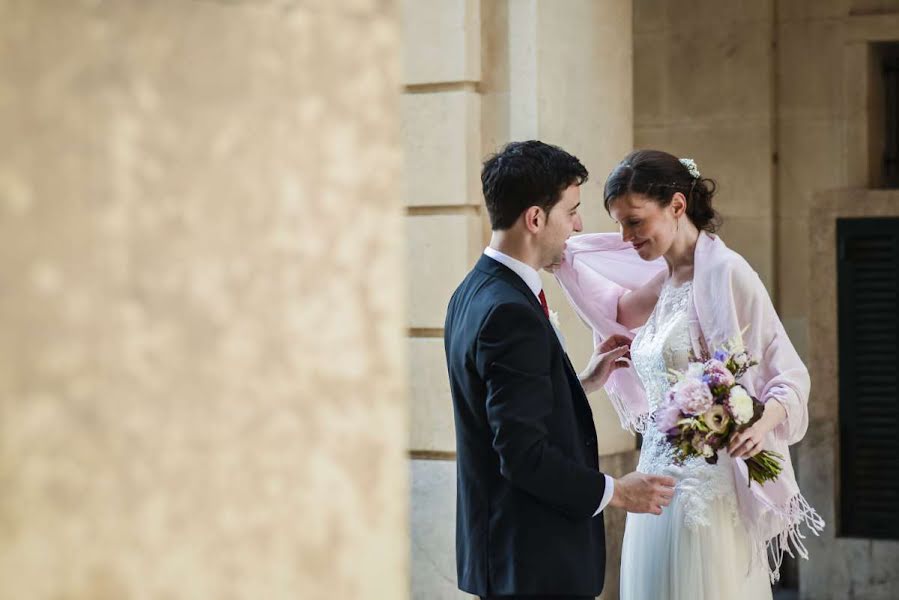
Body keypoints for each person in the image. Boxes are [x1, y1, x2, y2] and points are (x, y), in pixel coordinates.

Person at [554, 149, 824, 600]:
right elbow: (614, 311)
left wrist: (762, 423)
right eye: (619, 224)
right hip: (653, 484)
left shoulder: (729, 273)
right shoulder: (663, 280)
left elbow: (789, 373)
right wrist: (565, 259)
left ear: (677, 206)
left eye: (635, 222)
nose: (624, 237)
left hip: (708, 492)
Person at [444, 141, 676, 600]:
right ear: (535, 219)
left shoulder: (472, 292)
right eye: (571, 211)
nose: (579, 226)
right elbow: (523, 455)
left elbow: (502, 407)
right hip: (534, 563)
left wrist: (581, 381)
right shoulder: (510, 312)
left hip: (507, 556)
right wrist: (618, 492)